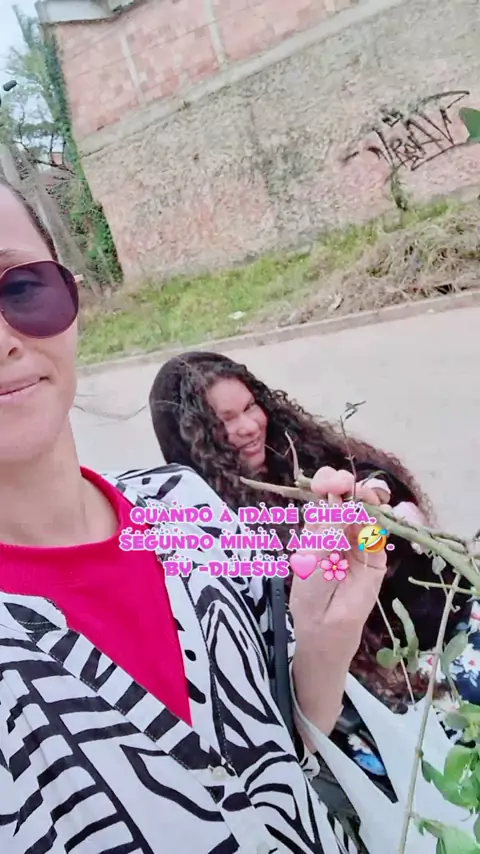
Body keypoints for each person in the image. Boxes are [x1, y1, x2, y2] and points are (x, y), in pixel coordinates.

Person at [0, 179, 393, 854]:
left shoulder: (184, 505)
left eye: (20, 287)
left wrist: (325, 634)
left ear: (69, 296)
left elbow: (291, 743)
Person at [149, 351, 473, 786]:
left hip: (445, 635)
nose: (248, 427)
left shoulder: (304, 456)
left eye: (250, 407)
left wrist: (377, 503)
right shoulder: (213, 537)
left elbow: (380, 517)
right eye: (224, 421)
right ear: (191, 441)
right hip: (374, 696)